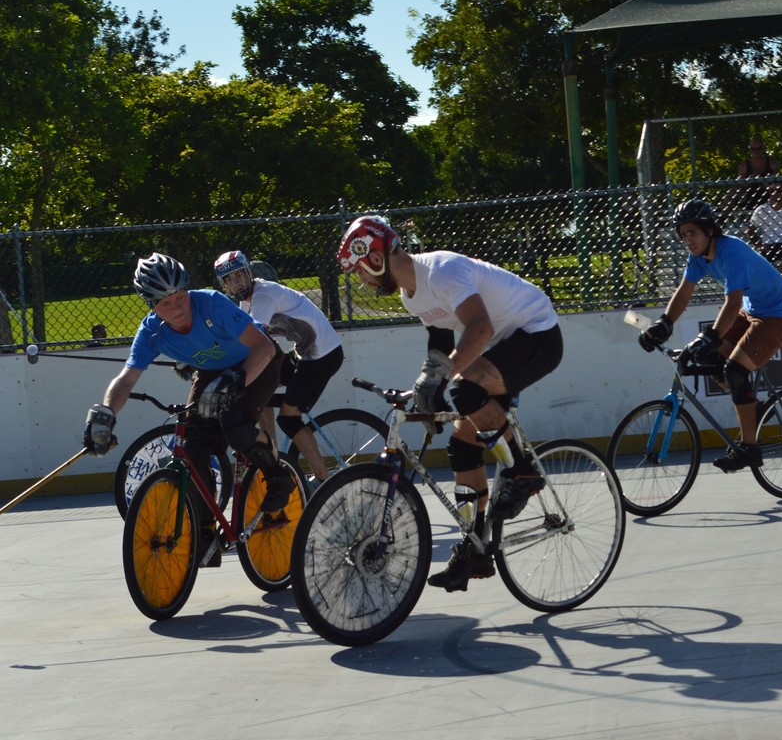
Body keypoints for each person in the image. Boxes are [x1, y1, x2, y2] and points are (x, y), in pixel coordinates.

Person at [336, 215, 563, 593]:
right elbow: (441, 344)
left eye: (360, 270)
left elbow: (481, 328)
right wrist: (422, 388)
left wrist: (443, 378)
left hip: (536, 333)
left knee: (463, 391)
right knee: (461, 446)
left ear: (375, 257)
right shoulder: (412, 296)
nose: (362, 280)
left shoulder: (440, 271)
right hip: (504, 345)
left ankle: (524, 472)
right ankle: (475, 548)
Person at [81, 254, 295, 563]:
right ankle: (205, 528)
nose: (178, 308)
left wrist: (236, 381)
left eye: (180, 297)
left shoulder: (211, 303)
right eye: (165, 304)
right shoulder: (151, 332)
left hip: (257, 363)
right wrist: (105, 415)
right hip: (211, 373)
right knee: (192, 446)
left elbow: (263, 347)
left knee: (234, 423)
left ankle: (278, 476)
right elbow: (125, 380)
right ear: (151, 305)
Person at [637, 199, 782, 473]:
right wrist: (664, 323)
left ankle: (750, 449)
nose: (687, 240)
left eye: (692, 232)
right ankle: (756, 408)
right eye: (682, 234)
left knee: (735, 370)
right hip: (754, 311)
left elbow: (732, 303)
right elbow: (684, 291)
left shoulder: (732, 252)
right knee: (709, 354)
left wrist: (712, 335)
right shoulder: (699, 256)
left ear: (709, 230)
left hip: (780, 315)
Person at [214, 250, 345, 485]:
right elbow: (241, 338)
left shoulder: (264, 295)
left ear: (249, 273)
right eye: (230, 280)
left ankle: (323, 479)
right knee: (261, 391)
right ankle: (271, 454)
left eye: (240, 275)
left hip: (322, 358)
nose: (237, 283)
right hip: (304, 355)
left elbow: (252, 340)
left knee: (289, 419)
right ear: (225, 285)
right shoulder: (246, 301)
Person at [734, 137, 782, 211]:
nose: (756, 151)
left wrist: (766, 183)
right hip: (749, 195)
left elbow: (781, 182)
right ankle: (722, 214)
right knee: (733, 190)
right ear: (750, 150)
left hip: (769, 193)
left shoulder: (772, 164)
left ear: (763, 149)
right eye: (753, 149)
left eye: (759, 149)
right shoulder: (744, 166)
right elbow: (738, 185)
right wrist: (749, 181)